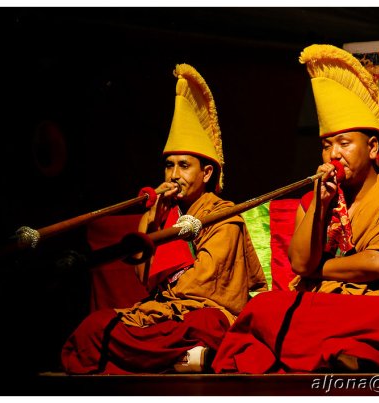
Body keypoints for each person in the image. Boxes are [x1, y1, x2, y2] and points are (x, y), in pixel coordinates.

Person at [211, 44, 379, 373]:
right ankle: (345, 355)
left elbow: (377, 265)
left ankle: (334, 352)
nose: (333, 155)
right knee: (266, 307)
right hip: (333, 304)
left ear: (372, 148)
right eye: (326, 146)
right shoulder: (320, 198)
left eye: (344, 144)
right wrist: (321, 202)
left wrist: (316, 271)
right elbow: (300, 261)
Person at [61, 64, 268, 374]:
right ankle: (184, 359)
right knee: (95, 326)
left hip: (199, 312)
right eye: (169, 166)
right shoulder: (163, 215)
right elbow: (145, 279)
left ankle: (168, 355)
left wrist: (167, 303)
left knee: (204, 325)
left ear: (206, 172)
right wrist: (153, 220)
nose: (174, 175)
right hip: (161, 312)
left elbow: (208, 289)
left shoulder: (225, 216)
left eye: (184, 166)